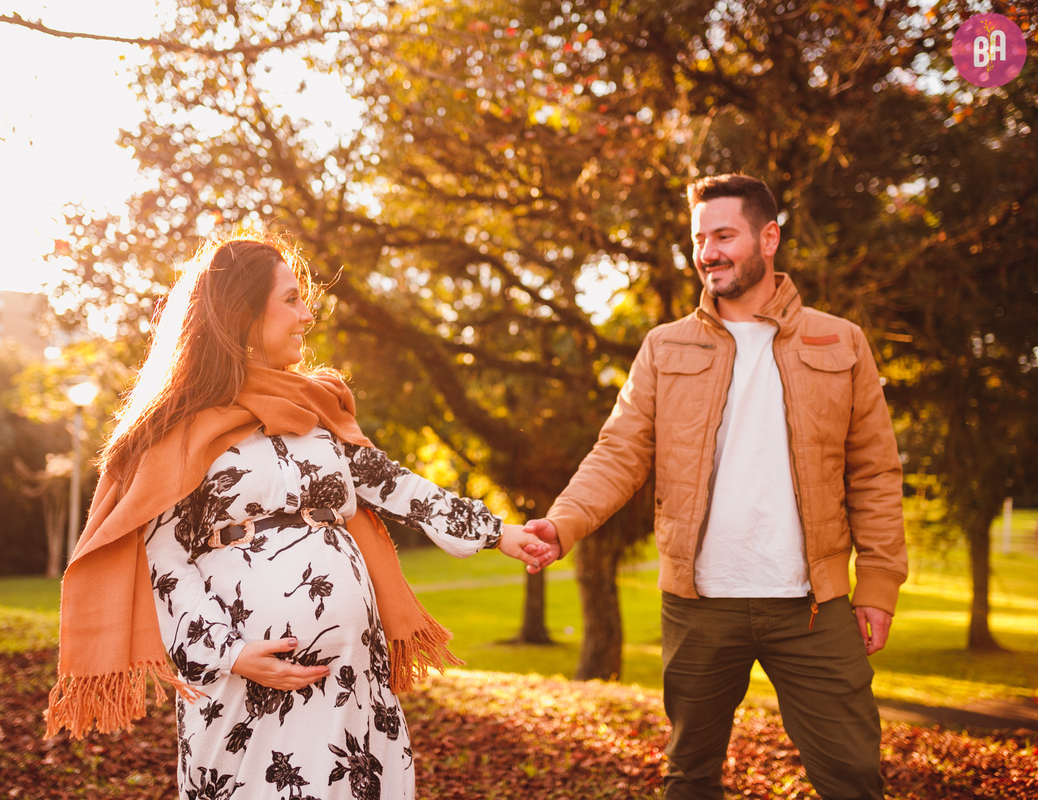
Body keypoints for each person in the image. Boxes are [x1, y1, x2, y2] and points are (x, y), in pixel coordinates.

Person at [46, 232, 556, 800]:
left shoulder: (314, 409)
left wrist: (499, 533)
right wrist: (231, 654)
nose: (307, 315)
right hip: (245, 687)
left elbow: (390, 483)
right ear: (241, 313)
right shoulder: (180, 428)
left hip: (351, 678)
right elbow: (162, 555)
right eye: (291, 299)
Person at [524, 173, 907, 800]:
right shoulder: (664, 347)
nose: (708, 252)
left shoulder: (841, 341)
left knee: (855, 776)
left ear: (770, 237)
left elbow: (874, 471)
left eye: (724, 235)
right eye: (700, 238)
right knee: (690, 777)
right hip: (699, 605)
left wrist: (881, 584)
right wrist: (561, 523)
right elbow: (619, 451)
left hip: (814, 605)